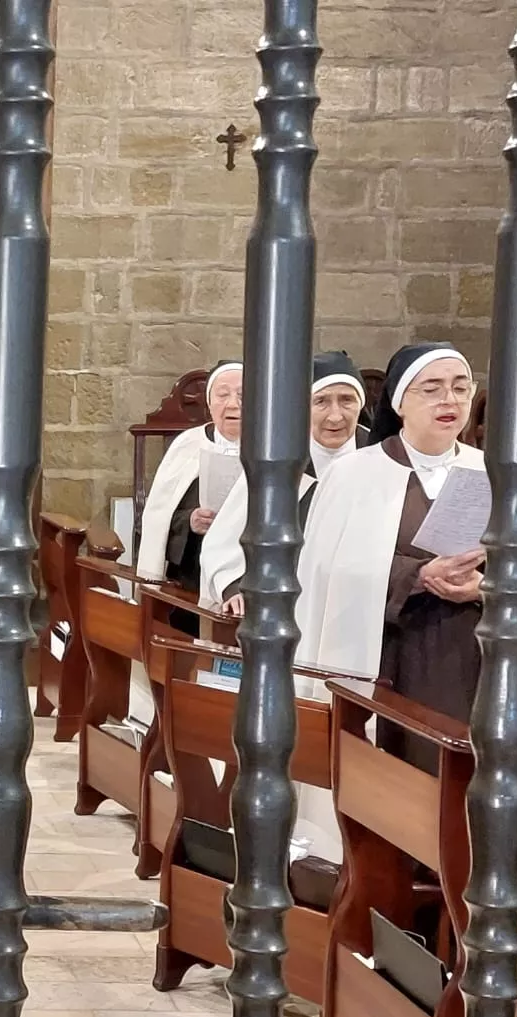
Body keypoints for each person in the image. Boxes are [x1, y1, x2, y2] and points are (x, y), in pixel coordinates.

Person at [294, 341, 484, 853]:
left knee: (464, 788)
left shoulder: (490, 471)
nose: (449, 399)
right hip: (386, 655)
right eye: (432, 388)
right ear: (400, 401)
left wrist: (481, 584)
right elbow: (326, 569)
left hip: (470, 659)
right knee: (395, 786)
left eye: (460, 388)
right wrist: (419, 576)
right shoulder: (355, 474)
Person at [200, 351, 368, 615]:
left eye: (347, 400)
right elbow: (222, 544)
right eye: (321, 401)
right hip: (285, 609)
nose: (336, 416)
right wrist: (234, 587)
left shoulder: (380, 459)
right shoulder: (278, 461)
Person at [136, 360, 243, 591]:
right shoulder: (187, 445)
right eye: (223, 395)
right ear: (209, 402)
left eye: (243, 395)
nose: (233, 405)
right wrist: (191, 521)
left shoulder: (271, 450)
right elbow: (160, 519)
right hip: (191, 575)